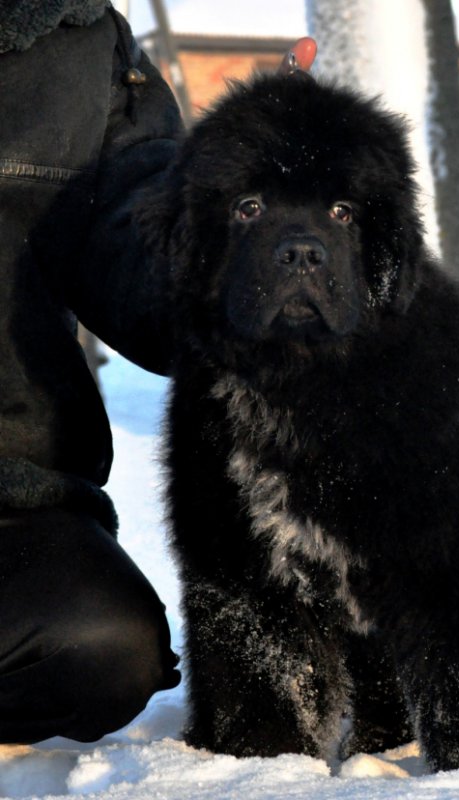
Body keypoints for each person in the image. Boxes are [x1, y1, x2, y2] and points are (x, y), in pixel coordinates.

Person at [0, 0, 314, 745]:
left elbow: (145, 268)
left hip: (12, 499)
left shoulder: (76, 42)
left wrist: (247, 222)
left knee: (105, 646)